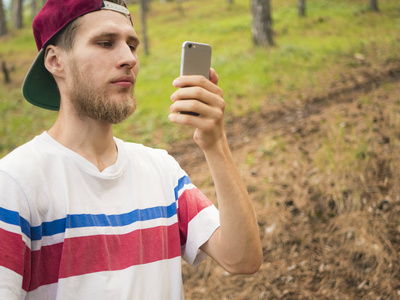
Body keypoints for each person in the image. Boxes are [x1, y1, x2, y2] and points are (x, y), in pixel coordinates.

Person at [0, 0, 262, 299]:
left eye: (132, 45)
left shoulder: (160, 170)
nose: (129, 58)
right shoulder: (15, 184)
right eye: (105, 42)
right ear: (55, 61)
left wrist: (215, 144)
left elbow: (241, 258)